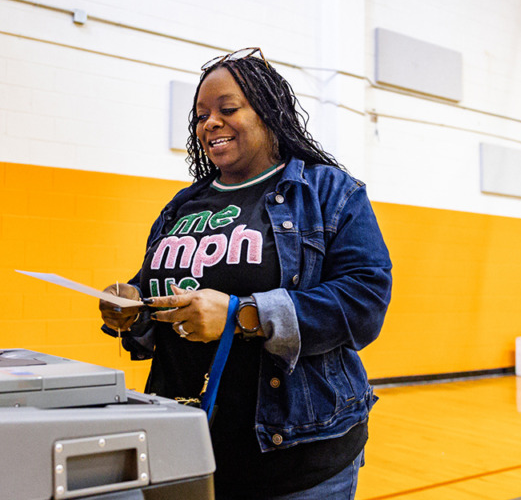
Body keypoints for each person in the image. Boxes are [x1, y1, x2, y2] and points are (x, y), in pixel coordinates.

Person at [100, 48, 391, 500]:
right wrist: (132, 308)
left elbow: (364, 301)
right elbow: (160, 295)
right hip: (185, 447)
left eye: (227, 109)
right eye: (200, 116)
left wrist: (242, 315)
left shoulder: (329, 191)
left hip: (296, 456)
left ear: (270, 113)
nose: (209, 123)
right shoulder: (182, 206)